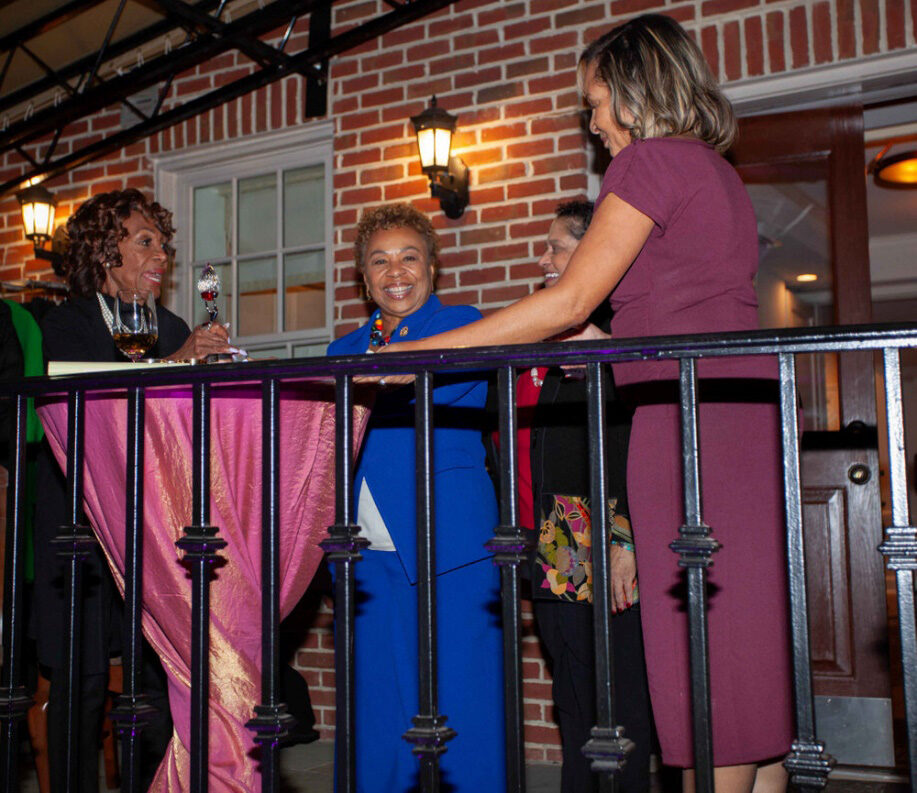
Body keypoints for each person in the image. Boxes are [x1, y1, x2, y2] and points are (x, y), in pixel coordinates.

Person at [381, 15, 793, 793]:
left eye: (596, 101)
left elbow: (564, 299)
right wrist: (611, 332)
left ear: (636, 92)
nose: (593, 123)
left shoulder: (646, 162)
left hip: (684, 425)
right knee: (738, 665)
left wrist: (415, 352)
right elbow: (674, 301)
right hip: (734, 414)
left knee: (701, 674)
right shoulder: (712, 170)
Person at [32, 188, 233, 792]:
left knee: (151, 678)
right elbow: (88, 398)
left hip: (149, 520)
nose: (161, 257)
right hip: (79, 523)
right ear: (104, 251)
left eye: (164, 246)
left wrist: (211, 377)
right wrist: (176, 364)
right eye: (145, 242)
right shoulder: (67, 322)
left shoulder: (170, 325)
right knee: (83, 678)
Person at [327, 203, 505, 793]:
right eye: (379, 261)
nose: (395, 271)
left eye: (409, 257)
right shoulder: (341, 348)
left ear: (432, 266)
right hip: (365, 547)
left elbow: (462, 391)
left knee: (465, 696)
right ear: (362, 276)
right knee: (377, 700)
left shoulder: (461, 323)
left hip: (448, 537)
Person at [497, 200, 652, 793]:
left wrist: (625, 538)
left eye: (557, 246)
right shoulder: (561, 337)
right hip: (561, 529)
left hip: (609, 532)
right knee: (573, 696)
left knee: (620, 701)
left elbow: (637, 447)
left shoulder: (626, 332)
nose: (545, 257)